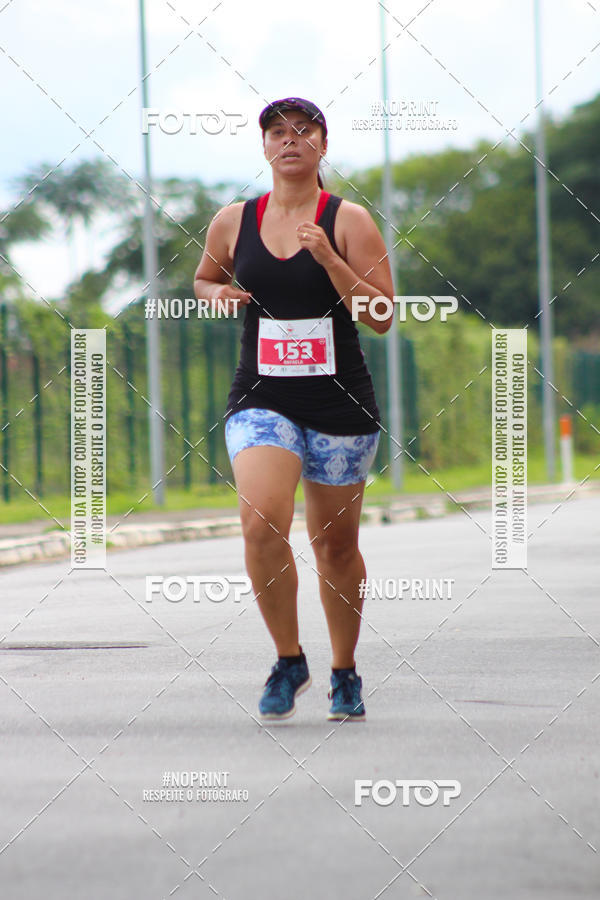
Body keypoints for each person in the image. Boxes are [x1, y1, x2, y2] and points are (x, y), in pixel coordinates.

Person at [193, 97, 393, 722]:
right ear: (263, 147)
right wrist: (218, 292)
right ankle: (288, 659)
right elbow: (202, 280)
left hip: (339, 403)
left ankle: (344, 671)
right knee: (260, 523)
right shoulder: (233, 220)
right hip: (263, 396)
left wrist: (330, 259)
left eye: (303, 131)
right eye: (277, 132)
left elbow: (382, 316)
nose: (290, 141)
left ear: (322, 145)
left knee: (335, 547)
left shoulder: (349, 219)